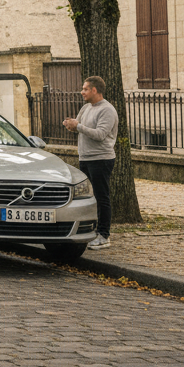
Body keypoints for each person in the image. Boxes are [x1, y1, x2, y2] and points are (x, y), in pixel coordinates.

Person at [63, 75, 118, 250]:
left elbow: (100, 134)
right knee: (87, 197)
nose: (82, 92)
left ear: (95, 90)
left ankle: (104, 235)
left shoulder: (107, 110)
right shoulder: (86, 107)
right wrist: (70, 125)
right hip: (85, 158)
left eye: (85, 89)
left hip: (101, 159)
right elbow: (79, 126)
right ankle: (90, 230)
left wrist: (78, 126)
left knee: (102, 197)